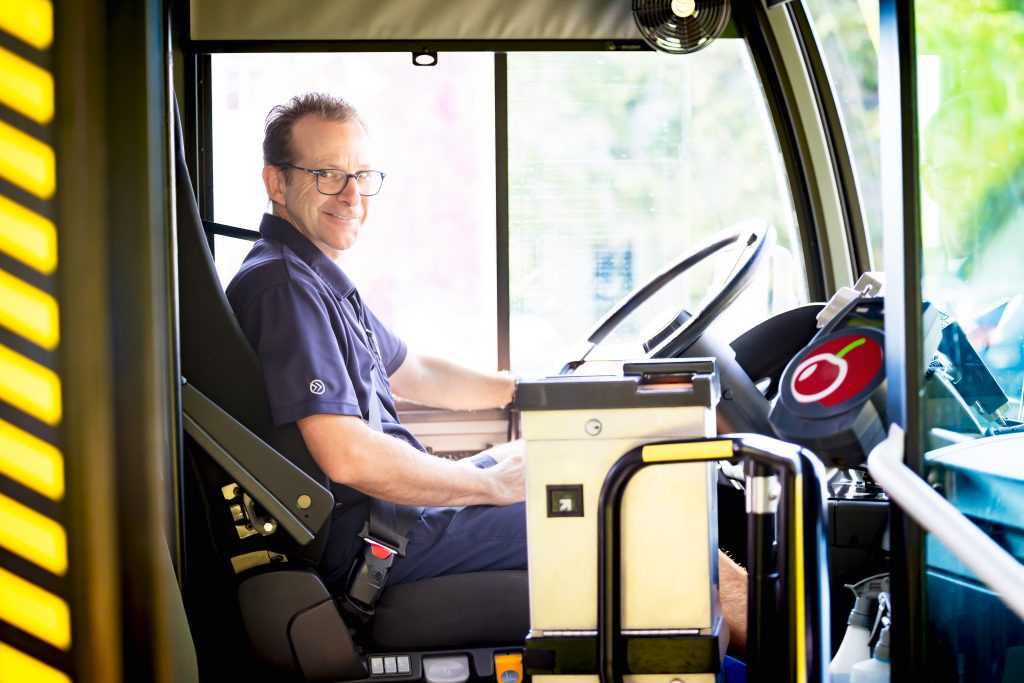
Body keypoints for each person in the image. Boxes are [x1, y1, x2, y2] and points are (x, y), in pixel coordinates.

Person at [226, 92, 748, 652]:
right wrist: (487, 484)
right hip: (379, 543)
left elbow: (417, 371)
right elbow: (346, 454)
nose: (352, 195)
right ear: (276, 183)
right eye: (328, 175)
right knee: (647, 509)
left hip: (392, 520)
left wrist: (532, 391)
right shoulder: (283, 288)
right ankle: (793, 658)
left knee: (558, 459)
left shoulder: (312, 275)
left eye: (362, 175)